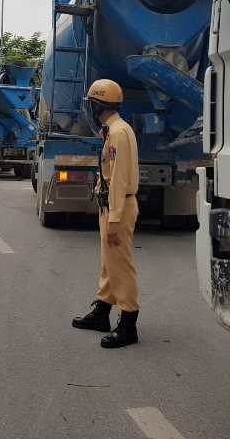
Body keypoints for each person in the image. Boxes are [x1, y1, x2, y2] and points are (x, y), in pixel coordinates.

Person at [72, 79, 140, 348]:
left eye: (92, 104)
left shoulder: (119, 133)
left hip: (118, 206)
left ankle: (128, 324)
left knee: (120, 266)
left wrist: (113, 218)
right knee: (109, 262)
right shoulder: (113, 129)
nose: (90, 108)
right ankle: (102, 312)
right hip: (113, 204)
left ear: (98, 105)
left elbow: (120, 179)